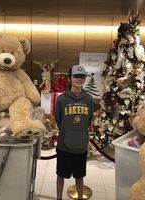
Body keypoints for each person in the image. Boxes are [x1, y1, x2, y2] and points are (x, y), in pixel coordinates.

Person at [55, 65, 94, 200]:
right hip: (64, 145)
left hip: (80, 146)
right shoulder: (61, 99)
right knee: (61, 175)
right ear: (70, 79)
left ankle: (80, 197)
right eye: (76, 76)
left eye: (82, 77)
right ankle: (59, 198)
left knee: (80, 176)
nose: (79, 79)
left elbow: (89, 118)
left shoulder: (88, 99)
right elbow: (58, 119)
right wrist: (68, 133)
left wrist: (80, 134)